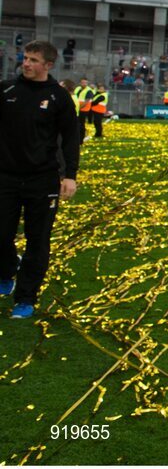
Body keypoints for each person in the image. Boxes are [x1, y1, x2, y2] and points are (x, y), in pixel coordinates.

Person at [0, 40, 80, 319]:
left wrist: (69, 175)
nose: (27, 64)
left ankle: (25, 298)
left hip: (43, 179)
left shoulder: (59, 97)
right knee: (1, 234)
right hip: (6, 176)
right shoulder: (7, 90)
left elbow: (71, 138)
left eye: (34, 60)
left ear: (48, 65)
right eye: (25, 58)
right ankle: (8, 269)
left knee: (38, 240)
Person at [71, 78, 94, 143]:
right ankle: (76, 138)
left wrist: (78, 107)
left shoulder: (89, 91)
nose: (84, 84)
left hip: (83, 109)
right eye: (82, 82)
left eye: (85, 83)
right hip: (77, 109)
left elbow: (86, 101)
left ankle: (81, 139)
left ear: (87, 83)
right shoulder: (77, 88)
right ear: (80, 83)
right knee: (76, 124)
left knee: (81, 124)